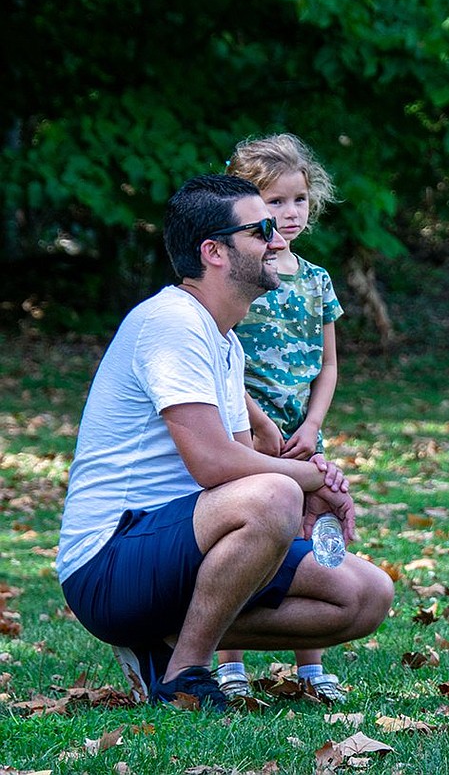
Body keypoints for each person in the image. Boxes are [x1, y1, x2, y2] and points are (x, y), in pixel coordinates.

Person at [56, 174, 394, 711]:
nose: (279, 239)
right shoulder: (171, 323)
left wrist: (311, 489)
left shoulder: (225, 342)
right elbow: (215, 463)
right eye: (261, 229)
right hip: (109, 562)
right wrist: (307, 481)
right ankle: (184, 675)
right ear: (213, 252)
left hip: (181, 548)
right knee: (274, 497)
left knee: (366, 594)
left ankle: (162, 640)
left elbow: (246, 463)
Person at [214, 133, 346, 702]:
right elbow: (219, 354)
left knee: (312, 536)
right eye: (273, 202)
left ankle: (311, 667)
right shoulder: (239, 275)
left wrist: (311, 426)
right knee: (246, 541)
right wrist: (261, 425)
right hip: (244, 433)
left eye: (299, 199)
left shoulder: (316, 280)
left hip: (301, 437)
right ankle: (230, 664)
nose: (288, 213)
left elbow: (329, 366)